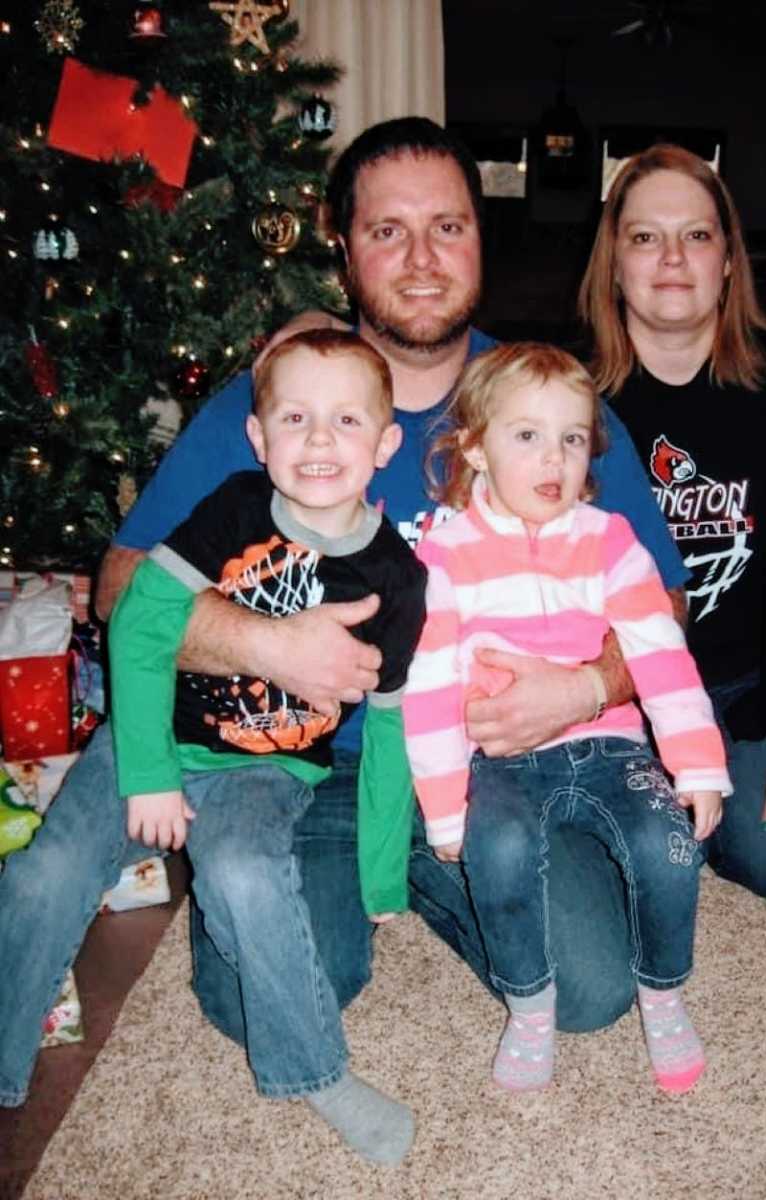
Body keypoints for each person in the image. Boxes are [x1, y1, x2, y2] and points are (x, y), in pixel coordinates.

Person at [0, 119, 686, 1117]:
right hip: (297, 759)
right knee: (255, 1000)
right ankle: (379, 885)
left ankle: (435, 877)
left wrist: (580, 689)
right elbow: (119, 586)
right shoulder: (282, 394)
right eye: (387, 231)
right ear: (342, 242)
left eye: (447, 227)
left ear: (480, 241)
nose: (420, 260)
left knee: (593, 992)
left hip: (495, 761)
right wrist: (267, 644)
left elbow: (663, 602)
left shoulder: (544, 397)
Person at [4, 330, 426, 1165]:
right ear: (261, 437)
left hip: (269, 765)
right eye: (295, 418)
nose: (318, 440)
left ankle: (317, 1072)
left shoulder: (398, 579)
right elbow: (141, 623)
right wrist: (153, 775)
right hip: (153, 734)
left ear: (384, 444)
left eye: (346, 420)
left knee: (242, 872)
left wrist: (383, 872)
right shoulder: (233, 507)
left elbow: (390, 728)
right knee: (44, 872)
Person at [403, 342, 731, 1094]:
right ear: (477, 449)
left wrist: (698, 762)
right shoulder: (445, 554)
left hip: (611, 749)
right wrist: (446, 808)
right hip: (503, 760)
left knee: (670, 844)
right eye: (527, 436)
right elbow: (428, 686)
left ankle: (664, 994)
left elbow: (658, 652)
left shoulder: (611, 541)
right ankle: (528, 1006)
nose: (554, 459)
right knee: (502, 849)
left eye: (572, 438)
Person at [577, 143, 766, 901]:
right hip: (619, 689)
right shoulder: (565, 391)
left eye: (696, 235)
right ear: (615, 261)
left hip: (740, 686)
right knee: (631, 870)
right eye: (644, 236)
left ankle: (702, 805)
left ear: (729, 259)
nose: (671, 257)